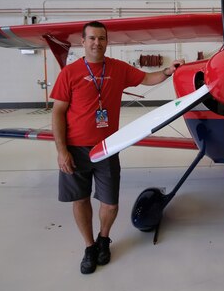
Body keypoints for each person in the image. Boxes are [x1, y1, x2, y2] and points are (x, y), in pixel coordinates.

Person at [50, 20, 184, 274]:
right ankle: (89, 247)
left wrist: (168, 72)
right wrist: (61, 150)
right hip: (76, 148)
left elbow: (147, 78)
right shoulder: (69, 73)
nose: (96, 43)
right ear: (83, 42)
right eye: (91, 38)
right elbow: (58, 112)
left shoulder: (117, 68)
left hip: (107, 148)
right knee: (80, 200)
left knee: (110, 204)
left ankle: (104, 238)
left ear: (106, 41)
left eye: (101, 38)